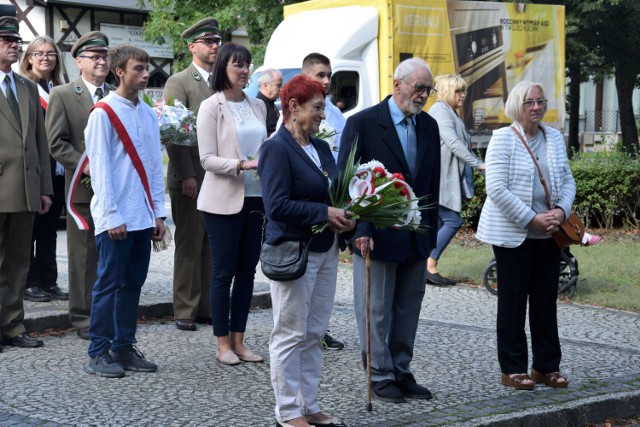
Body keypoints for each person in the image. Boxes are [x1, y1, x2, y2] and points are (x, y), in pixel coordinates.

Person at [337, 57, 440, 403]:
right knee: (375, 308)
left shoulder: (429, 126)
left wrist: (431, 231)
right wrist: (358, 229)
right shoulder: (363, 124)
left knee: (408, 306)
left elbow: (431, 184)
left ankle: (401, 368)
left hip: (415, 233)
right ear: (397, 85)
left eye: (428, 89)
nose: (424, 94)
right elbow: (346, 180)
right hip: (376, 235)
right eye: (418, 87)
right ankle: (379, 372)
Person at [259, 74, 355, 427]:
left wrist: (347, 217)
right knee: (289, 332)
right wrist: (323, 213)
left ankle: (308, 403)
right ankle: (287, 411)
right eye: (317, 108)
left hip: (325, 250)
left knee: (315, 332)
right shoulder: (275, 148)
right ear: (293, 107)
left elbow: (333, 194)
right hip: (293, 252)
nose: (323, 115)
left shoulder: (323, 148)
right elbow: (276, 205)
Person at [476, 81, 574, 390]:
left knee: (546, 300)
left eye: (541, 101)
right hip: (512, 233)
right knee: (513, 301)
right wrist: (531, 219)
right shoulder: (503, 139)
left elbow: (568, 179)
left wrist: (561, 211)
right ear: (517, 105)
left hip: (550, 233)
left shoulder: (554, 138)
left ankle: (546, 367)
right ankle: (513, 368)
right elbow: (496, 189)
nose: (536, 107)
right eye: (530, 102)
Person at [83, 45, 166, 378]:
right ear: (120, 72)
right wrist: (111, 214)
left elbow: (153, 167)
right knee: (107, 285)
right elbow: (100, 168)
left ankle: (123, 346)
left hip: (142, 215)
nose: (146, 74)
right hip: (115, 217)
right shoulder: (103, 112)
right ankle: (98, 351)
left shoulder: (147, 112)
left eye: (147, 68)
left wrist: (158, 213)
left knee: (133, 284)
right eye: (139, 68)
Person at [196, 43, 267, 366]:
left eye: (247, 64)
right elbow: (207, 159)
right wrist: (241, 165)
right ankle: (222, 342)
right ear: (223, 67)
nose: (244, 70)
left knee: (247, 272)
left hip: (257, 198)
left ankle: (240, 341)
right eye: (237, 64)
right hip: (222, 199)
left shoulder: (258, 106)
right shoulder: (212, 106)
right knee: (223, 273)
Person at [47, 31, 112, 340]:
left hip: (115, 191)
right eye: (95, 57)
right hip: (82, 190)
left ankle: (108, 312)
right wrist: (86, 164)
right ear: (79, 62)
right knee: (84, 258)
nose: (102, 61)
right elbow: (56, 143)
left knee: (112, 255)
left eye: (105, 56)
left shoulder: (116, 93)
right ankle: (83, 317)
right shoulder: (63, 93)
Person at [162, 17, 219, 332]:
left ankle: (207, 306)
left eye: (216, 41)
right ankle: (185, 308)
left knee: (211, 242)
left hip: (218, 175)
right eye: (207, 41)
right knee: (189, 242)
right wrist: (185, 174)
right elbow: (174, 132)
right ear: (192, 46)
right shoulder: (180, 81)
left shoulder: (222, 81)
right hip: (191, 175)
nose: (213, 47)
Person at [0, 16, 53, 350]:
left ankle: (12, 325)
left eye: (15, 40)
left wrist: (45, 187)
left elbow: (39, 141)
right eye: (6, 39)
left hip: (25, 187)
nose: (13, 44)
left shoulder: (27, 87)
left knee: (19, 261)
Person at [301, 52, 346, 351]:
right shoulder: (296, 110)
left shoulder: (336, 113)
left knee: (325, 279)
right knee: (305, 276)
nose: (326, 80)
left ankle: (319, 328)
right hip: (309, 206)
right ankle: (299, 331)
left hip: (333, 202)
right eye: (320, 75)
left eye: (329, 75)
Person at [20, 36, 69, 303]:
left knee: (50, 228)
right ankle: (30, 281)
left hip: (59, 168)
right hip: (36, 167)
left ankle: (49, 280)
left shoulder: (60, 88)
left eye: (50, 54)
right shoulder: (23, 87)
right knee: (31, 228)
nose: (45, 58)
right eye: (39, 53)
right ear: (28, 57)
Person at [426, 74, 485, 286]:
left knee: (442, 221)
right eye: (458, 91)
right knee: (453, 220)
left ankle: (425, 265)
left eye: (464, 91)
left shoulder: (450, 112)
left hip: (444, 178)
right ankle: (429, 264)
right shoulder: (440, 110)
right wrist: (477, 164)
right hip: (440, 179)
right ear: (446, 92)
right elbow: (452, 142)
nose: (463, 95)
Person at [256, 68, 282, 135]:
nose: (281, 89)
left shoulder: (270, 102)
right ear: (266, 85)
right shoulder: (258, 106)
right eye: (278, 85)